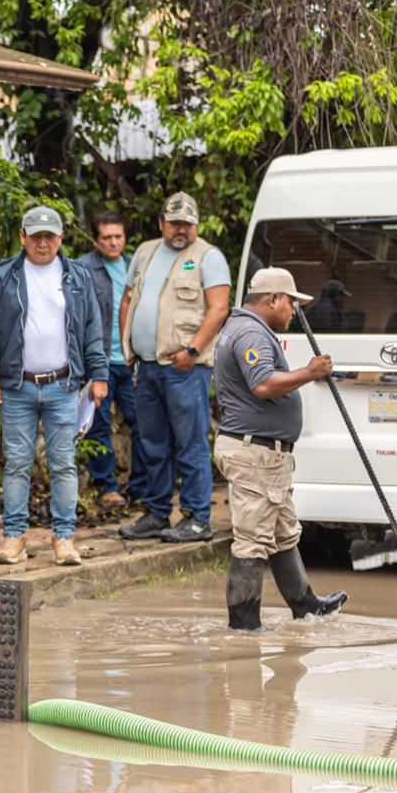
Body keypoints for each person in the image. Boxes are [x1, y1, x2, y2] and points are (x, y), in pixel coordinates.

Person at [214, 268, 347, 630]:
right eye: (290, 303)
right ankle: (244, 624)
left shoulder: (243, 328)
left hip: (266, 453)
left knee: (282, 531)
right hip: (254, 451)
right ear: (272, 299)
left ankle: (305, 605)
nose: (293, 312)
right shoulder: (251, 333)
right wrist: (310, 372)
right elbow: (263, 385)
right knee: (253, 540)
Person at [0, 206, 108, 567]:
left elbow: (92, 330)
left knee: (63, 463)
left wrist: (99, 376)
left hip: (64, 385)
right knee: (16, 463)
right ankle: (14, 538)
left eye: (50, 236)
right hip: (18, 385)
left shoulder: (77, 276)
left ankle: (64, 538)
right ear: (23, 237)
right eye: (36, 236)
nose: (43, 243)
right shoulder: (6, 276)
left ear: (61, 238)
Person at [118, 192, 230, 543]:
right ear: (161, 223)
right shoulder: (145, 252)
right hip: (147, 366)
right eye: (174, 223)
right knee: (152, 442)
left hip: (185, 368)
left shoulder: (208, 257)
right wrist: (128, 347)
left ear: (197, 224)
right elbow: (128, 298)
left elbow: (219, 309)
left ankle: (198, 518)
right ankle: (156, 513)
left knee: (190, 443)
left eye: (187, 224)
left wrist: (193, 351)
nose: (181, 230)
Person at [75, 212, 147, 509]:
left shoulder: (135, 266)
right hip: (99, 361)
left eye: (118, 236)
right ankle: (106, 486)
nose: (113, 242)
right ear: (96, 240)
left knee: (142, 422)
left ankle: (141, 486)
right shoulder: (83, 269)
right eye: (107, 237)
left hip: (131, 360)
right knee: (99, 425)